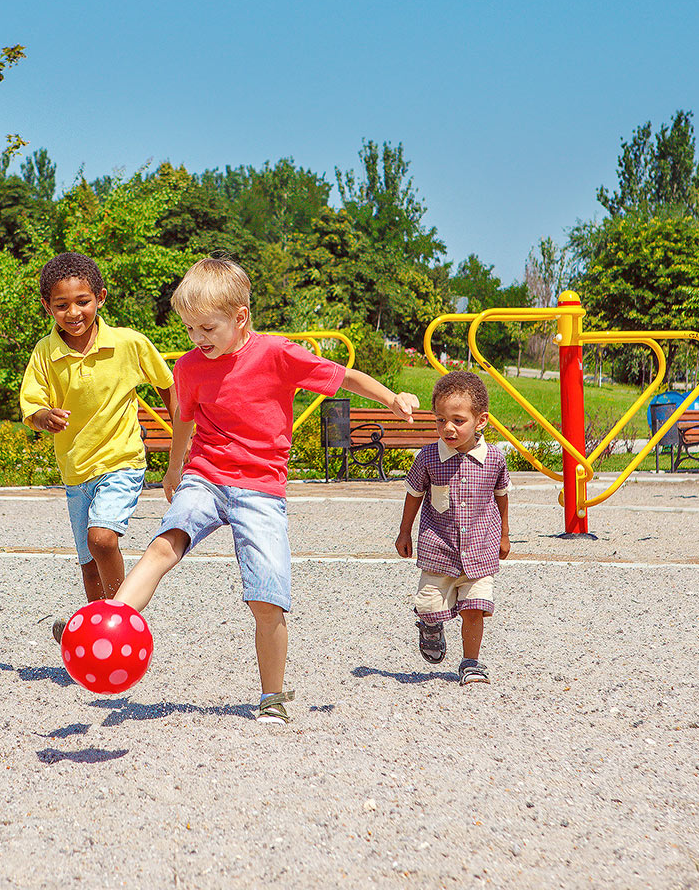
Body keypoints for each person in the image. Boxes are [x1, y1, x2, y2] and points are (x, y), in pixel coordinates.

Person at [113, 256, 420, 723]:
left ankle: (271, 696)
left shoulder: (277, 353)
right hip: (206, 475)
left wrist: (393, 398)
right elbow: (184, 419)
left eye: (207, 329)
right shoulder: (192, 367)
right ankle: (112, 622)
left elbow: (344, 377)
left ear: (241, 317)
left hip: (260, 488)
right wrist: (174, 469)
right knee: (163, 544)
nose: (197, 340)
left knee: (266, 596)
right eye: (190, 330)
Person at [21, 252, 174, 619]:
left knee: (102, 539)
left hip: (122, 460)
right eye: (61, 305)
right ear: (47, 307)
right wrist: (45, 417)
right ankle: (98, 630)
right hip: (76, 472)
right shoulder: (45, 353)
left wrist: (184, 438)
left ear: (101, 298)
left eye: (83, 301)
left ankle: (123, 617)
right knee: (89, 563)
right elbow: (31, 405)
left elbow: (168, 386)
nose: (73, 312)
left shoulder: (128, 343)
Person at [394, 369, 511, 686]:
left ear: (480, 421)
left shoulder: (495, 460)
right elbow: (414, 494)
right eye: (440, 420)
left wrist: (504, 535)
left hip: (480, 551)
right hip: (438, 551)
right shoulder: (429, 457)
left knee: (475, 608)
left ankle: (471, 663)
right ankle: (431, 625)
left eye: (458, 421)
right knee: (430, 607)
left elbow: (501, 497)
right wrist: (404, 532)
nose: (448, 428)